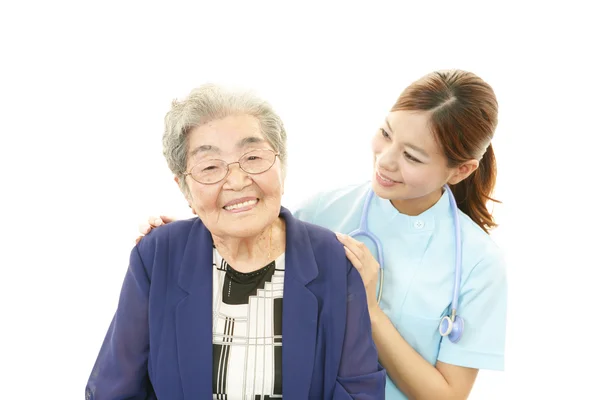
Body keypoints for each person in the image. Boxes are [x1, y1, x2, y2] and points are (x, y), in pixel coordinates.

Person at [139, 69, 508, 399]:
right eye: (386, 133)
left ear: (460, 170)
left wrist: (370, 310)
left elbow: (446, 396)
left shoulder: (478, 263)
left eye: (412, 156)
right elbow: (254, 248)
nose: (385, 159)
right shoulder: (325, 210)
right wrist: (193, 239)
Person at [86, 84, 386, 399]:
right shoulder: (159, 254)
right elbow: (113, 390)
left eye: (253, 157)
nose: (238, 180)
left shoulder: (332, 261)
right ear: (184, 187)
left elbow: (359, 391)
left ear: (281, 164)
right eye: (210, 167)